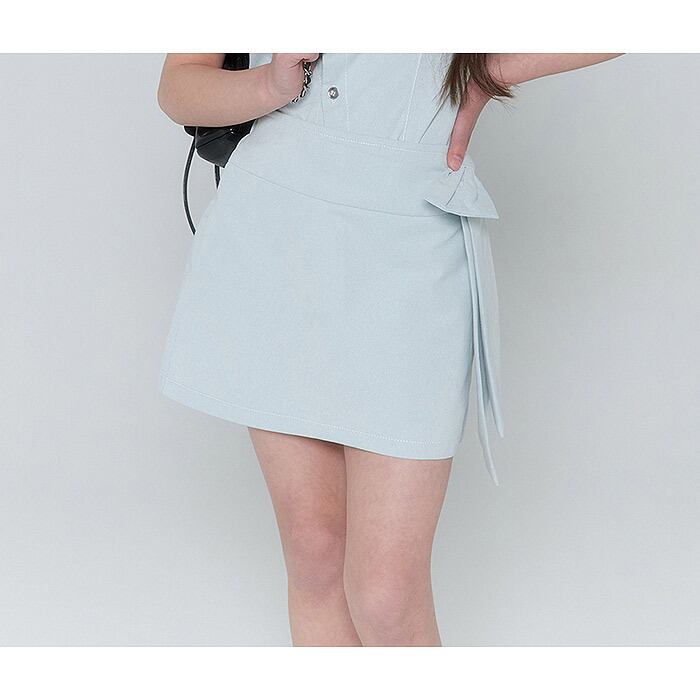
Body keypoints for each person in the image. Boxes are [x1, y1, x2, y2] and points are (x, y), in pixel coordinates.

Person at [157, 53, 623, 646]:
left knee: (386, 595)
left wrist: (489, 71)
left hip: (412, 235)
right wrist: (270, 83)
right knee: (314, 557)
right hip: (277, 234)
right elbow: (179, 86)